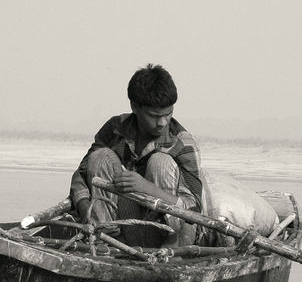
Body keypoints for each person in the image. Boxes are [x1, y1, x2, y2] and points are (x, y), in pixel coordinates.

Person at [69, 64, 203, 248]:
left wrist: (146, 187)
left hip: (169, 236)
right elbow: (80, 178)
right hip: (123, 228)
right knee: (101, 157)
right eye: (154, 115)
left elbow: (194, 208)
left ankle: (163, 252)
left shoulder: (183, 143)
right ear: (135, 107)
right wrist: (86, 211)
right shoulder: (115, 129)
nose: (162, 122)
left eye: (168, 113)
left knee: (160, 163)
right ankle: (104, 243)